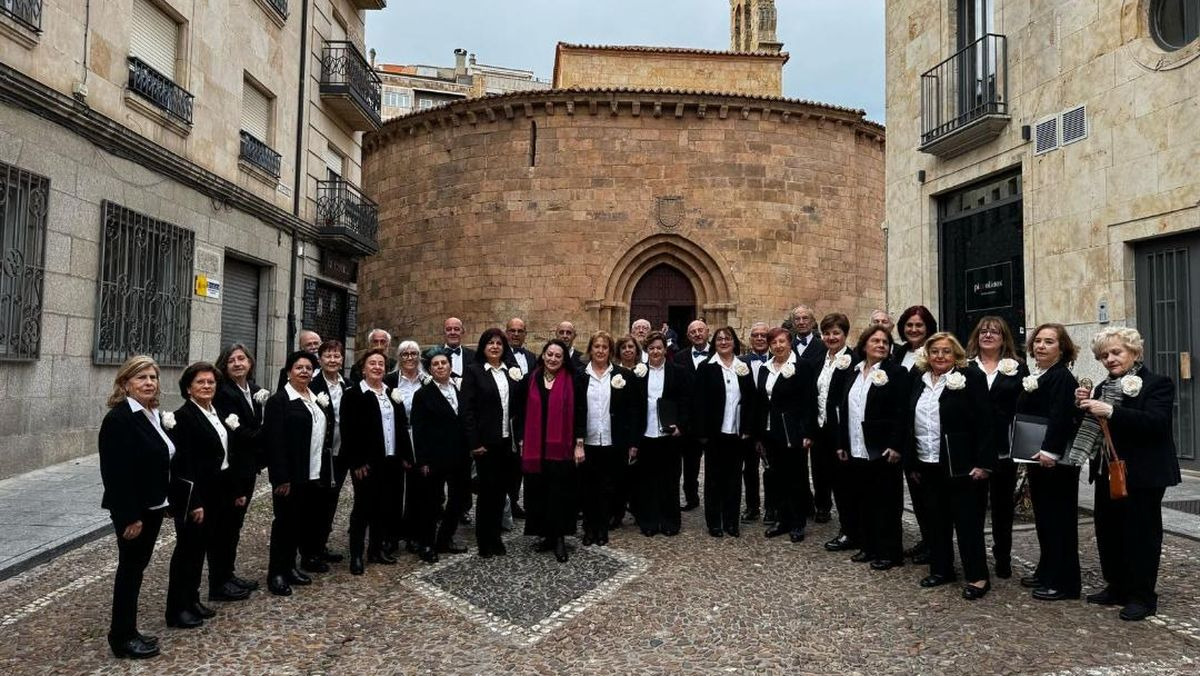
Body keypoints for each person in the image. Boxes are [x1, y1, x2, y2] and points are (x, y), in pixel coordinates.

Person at [1073, 327, 1180, 621]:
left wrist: (1110, 410)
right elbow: (1095, 428)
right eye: (1103, 355)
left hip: (1143, 473)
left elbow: (1156, 423)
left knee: (1141, 535)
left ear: (1134, 352)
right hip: (1107, 470)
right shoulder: (1102, 387)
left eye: (1116, 352)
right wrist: (1082, 405)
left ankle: (1142, 597)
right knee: (1109, 531)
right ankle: (1117, 587)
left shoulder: (1157, 384)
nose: (1109, 359)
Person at [905, 333, 995, 600]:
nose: (940, 356)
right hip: (928, 461)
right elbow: (908, 419)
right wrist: (912, 461)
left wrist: (983, 463)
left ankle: (978, 576)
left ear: (955, 354)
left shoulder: (971, 377)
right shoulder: (918, 379)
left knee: (967, 522)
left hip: (961, 464)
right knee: (935, 519)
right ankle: (941, 569)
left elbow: (986, 422)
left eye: (946, 351)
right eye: (935, 351)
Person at [99, 356, 172, 659]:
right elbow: (115, 474)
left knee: (137, 569)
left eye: (153, 377)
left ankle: (129, 630)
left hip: (152, 506)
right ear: (125, 383)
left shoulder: (150, 413)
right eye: (141, 377)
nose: (149, 383)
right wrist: (130, 516)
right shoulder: (119, 420)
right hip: (134, 511)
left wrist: (165, 499)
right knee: (129, 571)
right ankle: (121, 637)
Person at [1016, 323, 1082, 601]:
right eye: (1038, 341)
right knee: (1045, 519)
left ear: (1062, 348)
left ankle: (1065, 583)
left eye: (1049, 342)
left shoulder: (1062, 377)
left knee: (1059, 521)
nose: (1041, 346)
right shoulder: (1042, 374)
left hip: (1055, 461)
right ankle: (1046, 571)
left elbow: (1061, 416)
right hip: (1037, 457)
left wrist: (1050, 451)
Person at [836, 324, 909, 570]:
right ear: (864, 345)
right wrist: (842, 443)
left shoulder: (896, 373)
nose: (881, 345)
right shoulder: (854, 372)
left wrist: (896, 445)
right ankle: (869, 546)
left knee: (886, 502)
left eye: (885, 342)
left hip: (883, 449)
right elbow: (845, 409)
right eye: (875, 341)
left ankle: (890, 552)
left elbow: (902, 412)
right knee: (863, 499)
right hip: (857, 447)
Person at [164, 362, 230, 629]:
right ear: (188, 388)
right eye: (200, 382)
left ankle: (192, 600)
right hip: (195, 496)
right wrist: (194, 503)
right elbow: (183, 464)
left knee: (199, 550)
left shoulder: (214, 412)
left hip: (215, 492)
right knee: (186, 553)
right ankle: (177, 609)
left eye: (211, 382)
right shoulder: (184, 417)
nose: (207, 386)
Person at [264, 350, 333, 597]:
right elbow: (274, 442)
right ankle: (276, 573)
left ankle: (290, 567)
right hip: (290, 476)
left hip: (312, 474)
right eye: (299, 367)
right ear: (289, 372)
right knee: (284, 524)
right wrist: (280, 478)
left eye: (308, 368)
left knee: (300, 523)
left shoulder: (314, 398)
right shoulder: (279, 401)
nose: (304, 371)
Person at [965, 316, 1028, 579]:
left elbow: (1026, 405)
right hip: (973, 449)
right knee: (974, 508)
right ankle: (975, 560)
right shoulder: (965, 367)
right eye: (983, 331)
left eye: (994, 332)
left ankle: (1003, 556)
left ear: (1004, 339)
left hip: (1004, 447)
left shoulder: (1017, 368)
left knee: (1002, 508)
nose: (988, 335)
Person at [340, 349, 411, 574]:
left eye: (381, 364)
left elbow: (401, 426)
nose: (377, 367)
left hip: (390, 460)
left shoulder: (391, 393)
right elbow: (348, 431)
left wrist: (405, 456)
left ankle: (376, 549)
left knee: (384, 506)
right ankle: (356, 555)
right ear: (363, 368)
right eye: (372, 363)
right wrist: (357, 462)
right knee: (363, 508)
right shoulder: (353, 394)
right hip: (367, 463)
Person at [210, 343, 267, 600]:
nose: (237, 363)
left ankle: (228, 574)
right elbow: (236, 433)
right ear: (224, 366)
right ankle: (219, 581)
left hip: (249, 468)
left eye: (241, 358)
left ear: (250, 362)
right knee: (225, 526)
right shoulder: (223, 393)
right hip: (232, 469)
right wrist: (264, 436)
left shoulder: (254, 390)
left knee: (235, 524)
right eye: (231, 360)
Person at [518, 340, 584, 562]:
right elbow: (520, 411)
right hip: (536, 447)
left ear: (564, 359)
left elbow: (581, 412)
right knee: (539, 492)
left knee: (560, 492)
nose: (553, 359)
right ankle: (545, 534)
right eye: (550, 354)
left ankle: (559, 538)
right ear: (543, 355)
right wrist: (521, 439)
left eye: (558, 355)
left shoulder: (573, 380)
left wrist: (579, 443)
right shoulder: (531, 378)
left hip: (561, 447)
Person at [461, 328, 523, 557]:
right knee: (487, 493)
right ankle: (484, 540)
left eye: (499, 343)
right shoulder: (474, 371)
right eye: (490, 343)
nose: (495, 347)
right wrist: (474, 442)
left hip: (507, 442)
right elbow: (467, 411)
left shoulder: (510, 372)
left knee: (501, 492)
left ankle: (496, 537)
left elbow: (517, 408)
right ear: (483, 347)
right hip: (485, 444)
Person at [575, 331, 639, 545]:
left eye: (605, 347)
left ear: (610, 351)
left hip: (614, 441)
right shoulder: (580, 376)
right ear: (590, 349)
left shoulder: (623, 376)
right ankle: (588, 528)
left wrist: (632, 443)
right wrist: (577, 440)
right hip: (587, 441)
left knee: (608, 487)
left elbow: (632, 411)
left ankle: (602, 529)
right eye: (597, 346)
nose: (600, 351)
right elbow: (576, 409)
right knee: (587, 487)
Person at [755, 327, 817, 542]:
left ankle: (798, 523)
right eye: (774, 343)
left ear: (790, 343)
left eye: (782, 341)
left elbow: (809, 400)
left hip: (793, 432)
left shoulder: (802, 366)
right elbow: (761, 403)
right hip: (770, 431)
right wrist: (759, 435)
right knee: (777, 477)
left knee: (796, 478)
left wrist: (808, 432)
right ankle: (782, 520)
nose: (778, 346)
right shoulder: (765, 368)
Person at [410, 350, 471, 562]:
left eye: (444, 363)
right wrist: (423, 460)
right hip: (435, 457)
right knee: (432, 502)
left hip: (460, 456)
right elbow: (418, 430)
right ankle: (426, 543)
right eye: (435, 364)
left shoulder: (460, 389)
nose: (440, 367)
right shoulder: (423, 395)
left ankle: (445, 538)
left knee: (458, 500)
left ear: (450, 366)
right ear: (430, 369)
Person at [695, 326, 756, 537]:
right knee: (713, 478)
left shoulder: (743, 367)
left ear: (734, 342)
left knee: (734, 478)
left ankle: (731, 521)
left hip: (737, 433)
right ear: (714, 343)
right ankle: (714, 521)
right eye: (719, 339)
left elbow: (750, 400)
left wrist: (748, 428)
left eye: (727, 338)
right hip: (714, 433)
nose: (723, 342)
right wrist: (702, 433)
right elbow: (699, 402)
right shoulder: (706, 367)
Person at [894, 305, 937, 564]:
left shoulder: (935, 351)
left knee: (929, 491)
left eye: (919, 325)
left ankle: (936, 544)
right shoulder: (899, 352)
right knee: (915, 487)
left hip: (924, 428)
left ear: (928, 327)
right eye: (909, 325)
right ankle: (926, 538)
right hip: (903, 429)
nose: (913, 329)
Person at [635, 332, 689, 536]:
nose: (655, 351)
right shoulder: (639, 372)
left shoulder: (678, 371)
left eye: (659, 348)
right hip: (646, 433)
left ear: (665, 349)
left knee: (670, 479)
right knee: (647, 479)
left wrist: (680, 426)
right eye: (651, 348)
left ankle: (669, 521)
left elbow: (685, 401)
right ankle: (649, 521)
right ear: (646, 351)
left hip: (669, 434)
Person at [815, 314, 859, 553]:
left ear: (845, 334)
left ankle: (850, 531)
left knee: (845, 484)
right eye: (827, 333)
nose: (831, 337)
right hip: (822, 429)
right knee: (830, 478)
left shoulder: (852, 361)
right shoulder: (821, 359)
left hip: (842, 432)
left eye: (836, 333)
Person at [309, 339, 349, 570]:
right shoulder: (313, 384)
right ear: (320, 359)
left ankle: (321, 544)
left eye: (336, 356)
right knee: (316, 502)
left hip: (340, 453)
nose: (332, 360)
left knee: (331, 501)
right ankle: (310, 551)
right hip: (321, 454)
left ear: (342, 360)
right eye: (328, 355)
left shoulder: (347, 385)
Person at [673, 319, 710, 512]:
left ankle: (714, 501)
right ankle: (691, 497)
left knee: (714, 464)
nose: (697, 334)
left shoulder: (718, 354)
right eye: (693, 332)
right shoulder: (680, 357)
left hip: (710, 420)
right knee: (688, 463)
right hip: (687, 421)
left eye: (700, 330)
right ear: (688, 336)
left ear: (707, 332)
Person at [739, 321, 773, 522]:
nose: (760, 338)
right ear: (750, 339)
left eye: (763, 335)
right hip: (748, 424)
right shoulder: (740, 363)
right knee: (749, 468)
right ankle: (752, 507)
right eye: (755, 335)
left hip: (770, 423)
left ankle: (771, 508)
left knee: (771, 469)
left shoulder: (778, 361)